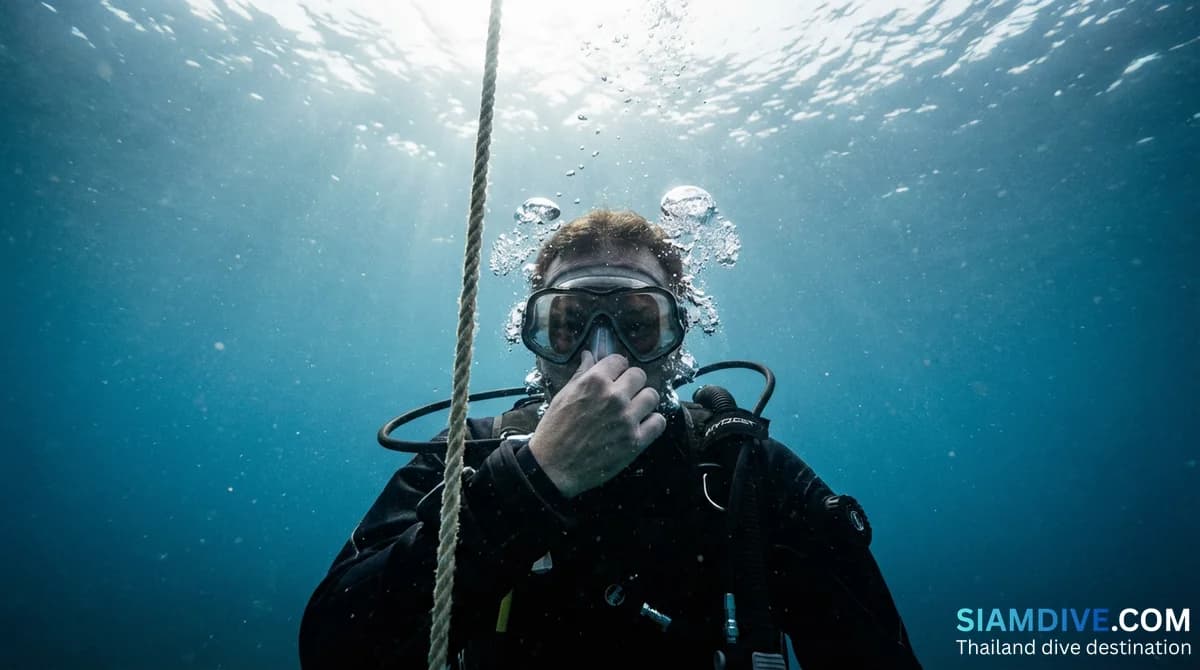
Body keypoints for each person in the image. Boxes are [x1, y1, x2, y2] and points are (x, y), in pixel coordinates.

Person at [299, 209, 923, 669]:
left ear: (678, 335)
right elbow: (334, 650)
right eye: (566, 325)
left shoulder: (742, 472)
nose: (601, 356)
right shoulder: (471, 456)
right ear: (531, 338)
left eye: (637, 323)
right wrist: (533, 480)